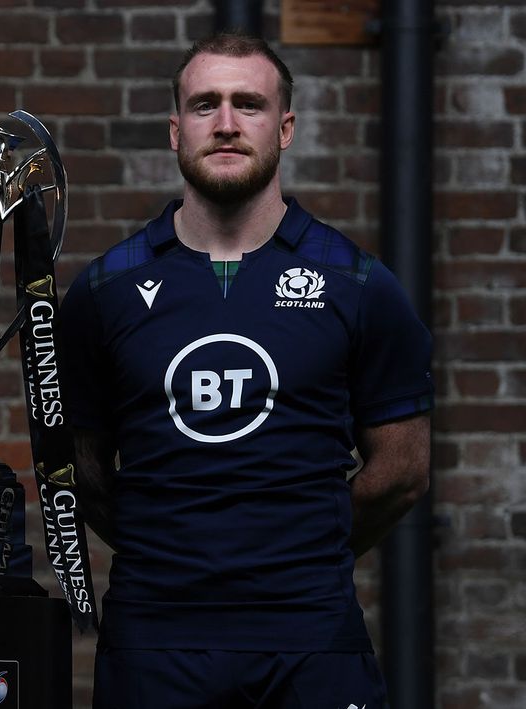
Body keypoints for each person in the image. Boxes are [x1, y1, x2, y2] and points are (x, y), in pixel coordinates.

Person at [60, 32, 432, 709]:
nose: (226, 124)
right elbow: (81, 472)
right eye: (205, 105)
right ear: (176, 130)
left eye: (248, 105)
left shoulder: (358, 283)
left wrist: (297, 547)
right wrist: (179, 546)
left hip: (311, 635)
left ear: (284, 127)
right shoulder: (103, 291)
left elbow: (401, 472)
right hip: (156, 641)